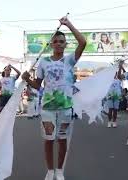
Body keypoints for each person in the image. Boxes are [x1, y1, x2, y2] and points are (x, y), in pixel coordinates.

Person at [22, 16, 86, 180]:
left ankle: (60, 170)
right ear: (51, 44)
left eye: (61, 41)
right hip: (47, 108)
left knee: (62, 140)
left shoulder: (69, 60)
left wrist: (68, 24)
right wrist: (27, 79)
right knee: (49, 140)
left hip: (65, 107)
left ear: (65, 44)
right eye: (56, 41)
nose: (58, 43)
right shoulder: (43, 62)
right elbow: (38, 85)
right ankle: (50, 171)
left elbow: (83, 42)